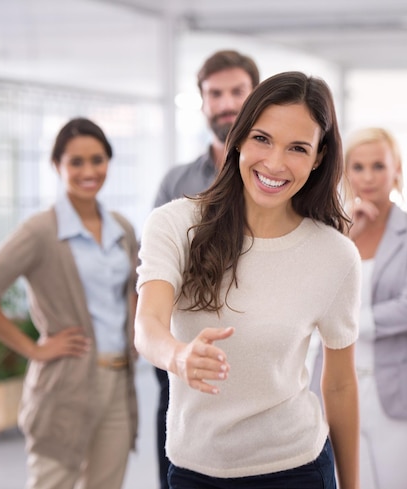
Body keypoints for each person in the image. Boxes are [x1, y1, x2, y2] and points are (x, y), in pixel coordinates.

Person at [135, 71, 360, 489]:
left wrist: (352, 486)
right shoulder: (174, 224)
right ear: (238, 137)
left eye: (297, 148)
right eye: (262, 139)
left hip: (299, 469)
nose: (275, 163)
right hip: (195, 470)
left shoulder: (335, 255)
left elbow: (341, 383)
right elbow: (147, 326)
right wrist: (176, 357)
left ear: (318, 158)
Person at [0, 117, 139, 489]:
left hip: (118, 382)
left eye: (97, 160)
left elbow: (133, 285)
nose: (88, 171)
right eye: (75, 162)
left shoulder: (121, 228)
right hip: (64, 385)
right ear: (57, 166)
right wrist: (32, 348)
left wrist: (133, 332)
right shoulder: (40, 230)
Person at [311, 127, 407, 489]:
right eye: (358, 167)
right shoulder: (328, 233)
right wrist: (347, 236)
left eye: (378, 166)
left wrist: (342, 324)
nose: (368, 177)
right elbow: (310, 299)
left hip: (399, 399)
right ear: (344, 173)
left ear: (396, 170)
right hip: (331, 392)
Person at [151, 48, 260, 489]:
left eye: (237, 91)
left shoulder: (277, 174)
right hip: (184, 353)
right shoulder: (176, 184)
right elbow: (155, 270)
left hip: (257, 350)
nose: (226, 103)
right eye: (215, 93)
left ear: (256, 96)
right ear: (202, 102)